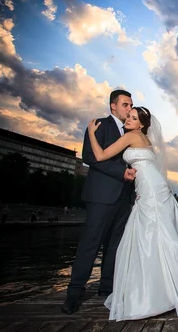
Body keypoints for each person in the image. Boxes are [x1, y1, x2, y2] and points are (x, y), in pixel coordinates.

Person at [87, 106, 178, 321]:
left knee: (150, 235)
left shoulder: (131, 136)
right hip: (155, 185)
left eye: (133, 118)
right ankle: (166, 287)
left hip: (150, 189)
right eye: (129, 116)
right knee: (159, 235)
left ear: (141, 124)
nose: (128, 120)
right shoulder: (145, 140)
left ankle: (155, 292)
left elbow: (100, 155)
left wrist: (90, 133)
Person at [61, 89, 136, 315]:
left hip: (125, 198)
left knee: (115, 246)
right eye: (125, 105)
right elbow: (90, 157)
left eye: (131, 105)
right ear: (113, 106)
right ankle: (74, 293)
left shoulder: (131, 130)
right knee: (90, 244)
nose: (129, 109)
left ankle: (106, 287)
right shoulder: (99, 125)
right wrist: (120, 173)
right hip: (101, 197)